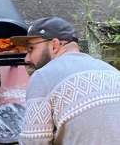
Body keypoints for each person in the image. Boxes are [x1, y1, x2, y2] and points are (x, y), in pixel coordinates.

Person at [10, 17, 120, 145]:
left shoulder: (43, 76)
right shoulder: (111, 71)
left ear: (54, 45)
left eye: (31, 49)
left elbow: (34, 142)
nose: (27, 59)